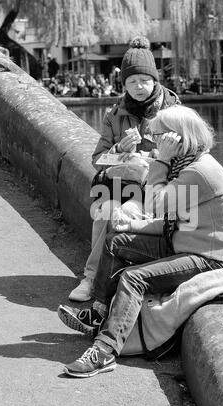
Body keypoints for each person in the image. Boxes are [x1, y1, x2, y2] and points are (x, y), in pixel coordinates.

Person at [58, 105, 223, 378]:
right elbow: (176, 223)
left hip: (207, 258)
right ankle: (100, 313)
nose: (153, 144)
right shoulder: (188, 163)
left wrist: (162, 162)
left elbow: (158, 206)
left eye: (158, 137)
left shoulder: (198, 173)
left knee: (134, 278)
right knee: (115, 242)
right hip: (183, 241)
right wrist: (131, 225)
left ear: (177, 138)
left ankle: (105, 351)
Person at [67, 36, 180, 302]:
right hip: (124, 186)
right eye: (131, 82)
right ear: (124, 83)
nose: (138, 87)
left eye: (144, 80)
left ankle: (117, 278)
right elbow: (97, 160)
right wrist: (120, 151)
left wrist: (155, 156)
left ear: (155, 80)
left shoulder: (174, 112)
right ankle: (92, 278)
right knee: (106, 210)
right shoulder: (114, 114)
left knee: (124, 212)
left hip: (160, 191)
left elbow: (188, 157)